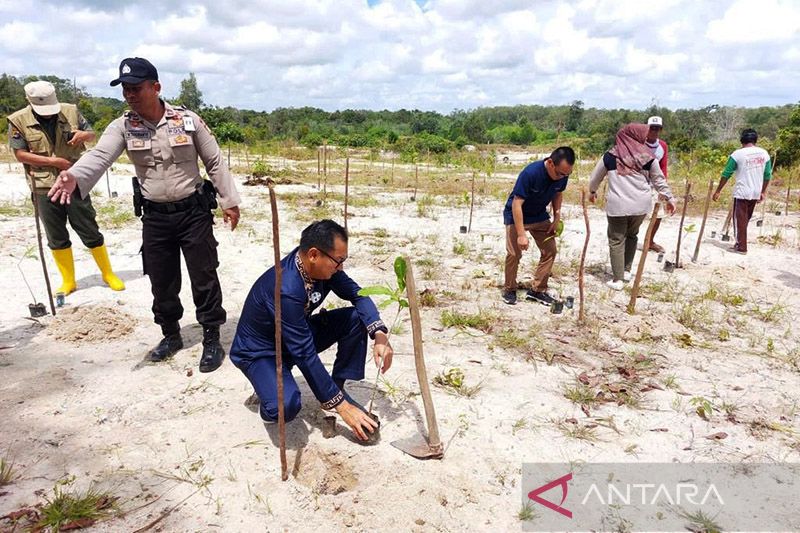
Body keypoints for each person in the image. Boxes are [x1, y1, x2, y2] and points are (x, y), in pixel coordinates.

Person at [47, 57, 241, 373]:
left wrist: (229, 200)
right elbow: (99, 156)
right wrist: (75, 176)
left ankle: (211, 338)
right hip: (155, 218)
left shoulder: (187, 120)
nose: (130, 95)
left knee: (204, 276)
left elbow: (215, 161)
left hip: (193, 213)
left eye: (136, 88)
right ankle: (171, 335)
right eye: (125, 89)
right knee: (161, 280)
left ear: (156, 87)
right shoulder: (123, 125)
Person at [230, 220, 394, 442]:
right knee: (285, 407)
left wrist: (380, 335)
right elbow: (304, 353)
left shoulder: (324, 269)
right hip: (261, 352)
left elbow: (358, 294)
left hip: (296, 336)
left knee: (356, 319)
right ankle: (267, 393)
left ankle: (337, 388)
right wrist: (342, 408)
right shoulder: (286, 287)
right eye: (338, 261)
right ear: (314, 255)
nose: (340, 268)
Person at [8, 80, 124, 296]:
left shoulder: (71, 111)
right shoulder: (17, 120)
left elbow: (92, 135)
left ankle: (108, 274)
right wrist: (54, 162)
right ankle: (68, 281)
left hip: (75, 180)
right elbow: (20, 154)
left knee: (88, 227)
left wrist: (84, 135)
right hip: (44, 186)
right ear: (29, 101)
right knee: (56, 235)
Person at [589, 124, 676, 290]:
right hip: (641, 206)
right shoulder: (648, 157)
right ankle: (627, 271)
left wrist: (592, 192)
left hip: (618, 205)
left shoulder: (610, 156)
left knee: (616, 239)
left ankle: (617, 279)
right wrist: (670, 198)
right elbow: (659, 180)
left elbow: (595, 178)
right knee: (632, 235)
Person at [501, 146, 575, 305]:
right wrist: (521, 234)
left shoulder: (563, 174)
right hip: (516, 215)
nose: (562, 177)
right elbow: (516, 204)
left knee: (550, 250)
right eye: (560, 173)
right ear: (550, 163)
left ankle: (537, 290)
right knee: (514, 254)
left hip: (539, 215)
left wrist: (557, 216)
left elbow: (558, 193)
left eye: (566, 174)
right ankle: (509, 289)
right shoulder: (530, 173)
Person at [712, 128, 772, 255]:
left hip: (742, 192)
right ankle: (740, 243)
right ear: (755, 140)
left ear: (742, 140)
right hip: (755, 192)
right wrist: (763, 191)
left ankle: (741, 247)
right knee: (745, 219)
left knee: (739, 220)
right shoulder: (764, 154)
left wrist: (718, 191)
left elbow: (726, 173)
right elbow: (767, 175)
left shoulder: (737, 154)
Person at [645, 116, 669, 254]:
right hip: (639, 184)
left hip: (655, 184)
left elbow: (663, 167)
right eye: (651, 128)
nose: (654, 131)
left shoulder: (662, 146)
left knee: (658, 215)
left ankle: (650, 241)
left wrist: (663, 189)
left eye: (657, 128)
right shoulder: (639, 143)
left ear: (661, 130)